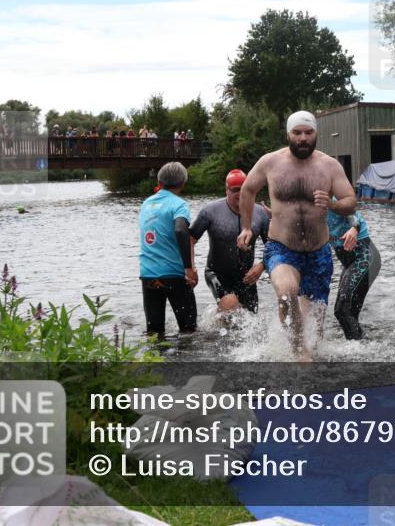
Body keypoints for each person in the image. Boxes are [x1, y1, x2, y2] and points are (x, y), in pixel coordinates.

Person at [237, 110, 356, 360]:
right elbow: (247, 190)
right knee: (287, 290)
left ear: (316, 134)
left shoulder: (330, 166)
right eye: (297, 133)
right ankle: (297, 349)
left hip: (318, 253)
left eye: (308, 133)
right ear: (288, 134)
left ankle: (308, 359)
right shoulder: (270, 162)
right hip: (282, 247)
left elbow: (350, 202)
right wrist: (247, 227)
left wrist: (332, 205)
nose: (303, 138)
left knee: (316, 329)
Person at [190, 169, 270, 314]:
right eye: (235, 190)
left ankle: (215, 324)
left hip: (247, 276)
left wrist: (261, 266)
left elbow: (273, 246)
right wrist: (190, 268)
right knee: (231, 304)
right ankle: (222, 315)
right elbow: (190, 239)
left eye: (243, 189)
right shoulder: (210, 211)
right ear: (226, 190)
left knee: (252, 320)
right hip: (217, 273)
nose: (240, 194)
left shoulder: (260, 214)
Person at [138, 161, 198, 340]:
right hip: (174, 275)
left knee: (154, 333)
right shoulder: (179, 205)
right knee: (189, 331)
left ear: (159, 181)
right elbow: (180, 229)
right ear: (182, 184)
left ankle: (154, 366)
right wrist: (188, 268)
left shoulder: (146, 204)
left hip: (148, 274)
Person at [327, 206, 381, 340]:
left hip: (365, 257)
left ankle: (361, 351)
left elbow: (353, 216)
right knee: (342, 313)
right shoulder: (306, 208)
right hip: (349, 265)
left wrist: (354, 229)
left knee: (343, 310)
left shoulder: (332, 199)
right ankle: (361, 344)